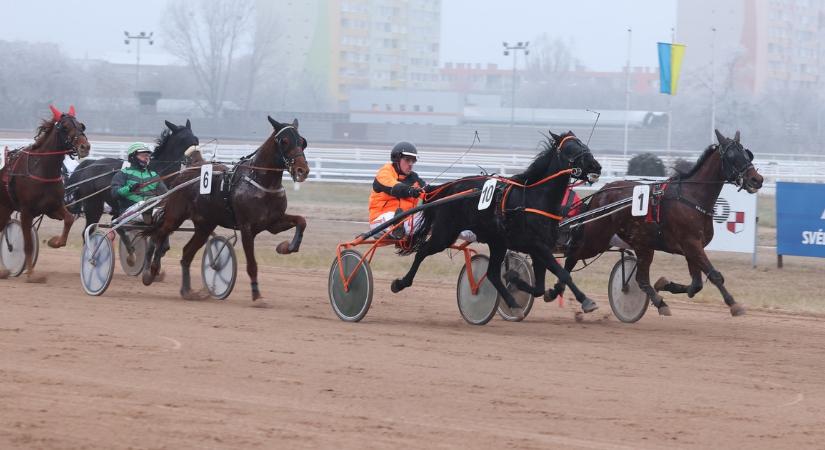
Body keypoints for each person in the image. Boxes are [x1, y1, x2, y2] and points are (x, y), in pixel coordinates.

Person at [110, 142, 169, 264]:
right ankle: (149, 215)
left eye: (147, 156)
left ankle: (154, 221)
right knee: (145, 204)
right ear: (133, 157)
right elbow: (115, 193)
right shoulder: (123, 174)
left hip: (152, 210)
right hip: (129, 212)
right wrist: (129, 188)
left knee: (166, 210)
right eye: (143, 155)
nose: (146, 158)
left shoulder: (154, 175)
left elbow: (166, 195)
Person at [368, 142, 425, 239]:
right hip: (380, 220)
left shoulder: (414, 178)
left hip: (405, 221)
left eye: (413, 161)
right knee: (392, 216)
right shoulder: (385, 172)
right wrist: (410, 190)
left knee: (429, 217)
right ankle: (397, 227)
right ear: (397, 159)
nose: (411, 164)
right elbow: (394, 187)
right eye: (407, 160)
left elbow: (428, 193)